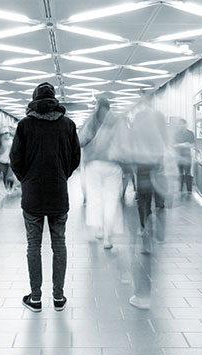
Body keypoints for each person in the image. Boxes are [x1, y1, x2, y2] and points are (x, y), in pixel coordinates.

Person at [10, 82, 80, 313]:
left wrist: (26, 179)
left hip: (32, 195)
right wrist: (61, 174)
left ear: (34, 100)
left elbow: (15, 159)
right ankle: (59, 298)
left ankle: (36, 298)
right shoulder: (68, 125)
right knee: (59, 244)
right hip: (58, 192)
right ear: (54, 100)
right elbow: (75, 159)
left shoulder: (25, 125)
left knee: (34, 245)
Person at [78, 98, 124, 249]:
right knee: (111, 200)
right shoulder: (117, 121)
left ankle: (97, 229)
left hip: (93, 164)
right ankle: (107, 238)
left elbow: (81, 140)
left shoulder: (92, 120)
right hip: (113, 164)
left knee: (95, 198)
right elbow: (125, 142)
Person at [129, 94, 169, 254]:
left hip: (142, 163)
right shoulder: (158, 116)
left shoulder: (138, 118)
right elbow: (165, 139)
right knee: (158, 199)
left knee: (143, 199)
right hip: (157, 162)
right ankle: (157, 229)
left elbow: (132, 141)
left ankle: (145, 227)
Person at [173, 118, 195, 194]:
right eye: (179, 124)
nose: (181, 126)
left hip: (187, 156)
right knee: (180, 173)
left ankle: (189, 190)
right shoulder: (176, 134)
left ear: (186, 124)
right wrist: (184, 144)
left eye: (182, 124)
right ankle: (180, 190)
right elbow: (173, 145)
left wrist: (180, 145)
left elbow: (192, 145)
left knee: (188, 173)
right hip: (178, 156)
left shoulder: (190, 133)